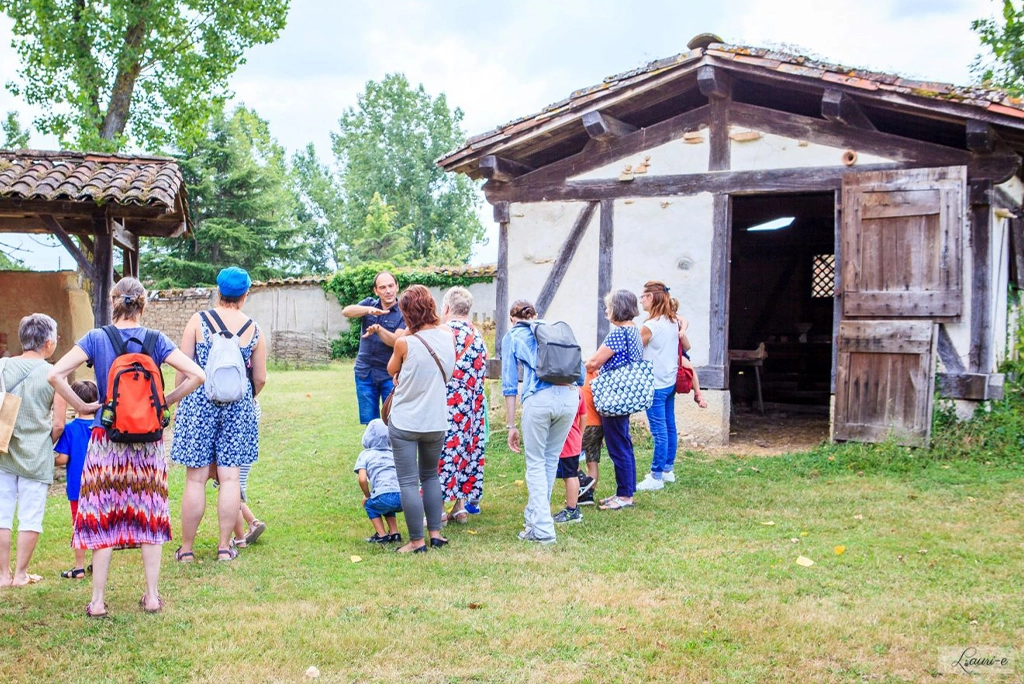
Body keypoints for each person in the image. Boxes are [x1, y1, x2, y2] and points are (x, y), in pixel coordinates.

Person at [49, 278, 206, 617]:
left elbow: (56, 375)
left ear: (113, 302)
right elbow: (197, 375)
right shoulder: (156, 340)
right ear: (143, 304)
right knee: (149, 518)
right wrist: (164, 403)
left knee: (103, 519)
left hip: (107, 441)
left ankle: (98, 601)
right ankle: (151, 596)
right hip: (148, 444)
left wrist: (86, 406)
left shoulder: (96, 338)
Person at [172, 267, 267, 563]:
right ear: (245, 294)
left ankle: (186, 549)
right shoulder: (253, 328)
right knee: (230, 480)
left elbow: (183, 367)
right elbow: (261, 377)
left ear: (218, 290)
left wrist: (180, 402)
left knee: (195, 480)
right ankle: (225, 547)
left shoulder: (198, 321)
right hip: (238, 407)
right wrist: (244, 398)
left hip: (198, 403)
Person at [501, 300, 582, 545]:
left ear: (512, 319)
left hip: (539, 398)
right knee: (549, 460)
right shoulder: (555, 331)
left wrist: (511, 425)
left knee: (535, 463)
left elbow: (509, 383)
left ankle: (544, 530)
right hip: (569, 397)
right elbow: (582, 372)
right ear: (535, 315)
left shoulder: (513, 335)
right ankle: (534, 521)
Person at [386, 285, 455, 554]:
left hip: (405, 421)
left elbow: (392, 368)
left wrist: (408, 329)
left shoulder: (405, 342)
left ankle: (416, 541)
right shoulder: (447, 335)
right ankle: (435, 533)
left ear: (407, 313)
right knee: (431, 476)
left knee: (407, 481)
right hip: (436, 419)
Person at [0, 313, 66, 588]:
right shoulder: (55, 374)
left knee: (2, 514)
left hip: (3, 450)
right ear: (48, 342)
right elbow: (60, 424)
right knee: (31, 515)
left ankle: (2, 575)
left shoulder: (2, 366)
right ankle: (20, 574)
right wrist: (44, 442)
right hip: (37, 454)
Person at [585, 290, 643, 511]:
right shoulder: (634, 331)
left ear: (618, 308)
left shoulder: (618, 334)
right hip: (625, 394)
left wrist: (583, 369)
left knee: (618, 445)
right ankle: (624, 491)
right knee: (623, 443)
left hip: (613, 397)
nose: (606, 310)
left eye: (608, 306)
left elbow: (594, 362)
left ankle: (625, 496)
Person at [438, 287, 488, 524]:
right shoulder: (478, 336)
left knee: (443, 452)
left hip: (447, 405)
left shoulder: (443, 332)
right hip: (473, 409)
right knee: (467, 451)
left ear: (446, 308)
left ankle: (438, 509)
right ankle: (460, 507)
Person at [343, 271, 407, 424]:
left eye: (391, 286)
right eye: (383, 287)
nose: (388, 290)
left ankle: (390, 449)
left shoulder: (403, 312)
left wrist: (379, 330)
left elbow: (396, 341)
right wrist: (367, 310)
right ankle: (373, 448)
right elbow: (346, 311)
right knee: (370, 423)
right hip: (364, 373)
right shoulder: (369, 304)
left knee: (391, 420)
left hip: (389, 375)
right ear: (376, 291)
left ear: (397, 287)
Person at [53, 380, 97, 580]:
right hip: (99, 486)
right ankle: (97, 564)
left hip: (76, 487)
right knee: (98, 523)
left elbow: (63, 458)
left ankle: (78, 567)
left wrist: (48, 457)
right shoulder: (102, 427)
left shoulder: (70, 429)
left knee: (79, 525)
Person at [354, 419, 403, 544]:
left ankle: (381, 535)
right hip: (403, 497)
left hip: (384, 495)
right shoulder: (393, 453)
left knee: (371, 505)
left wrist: (367, 495)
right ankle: (394, 533)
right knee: (386, 502)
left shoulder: (365, 455)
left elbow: (362, 479)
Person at [552, 387, 586, 524]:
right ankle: (573, 508)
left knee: (570, 476)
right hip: (574, 439)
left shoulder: (559, 391)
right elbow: (584, 416)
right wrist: (580, 434)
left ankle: (572, 510)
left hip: (566, 442)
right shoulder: (578, 391)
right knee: (571, 474)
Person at [577, 370, 602, 506]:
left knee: (566, 457)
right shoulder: (596, 375)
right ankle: (588, 496)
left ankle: (583, 480)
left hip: (586, 425)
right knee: (592, 460)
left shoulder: (578, 378)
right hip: (599, 424)